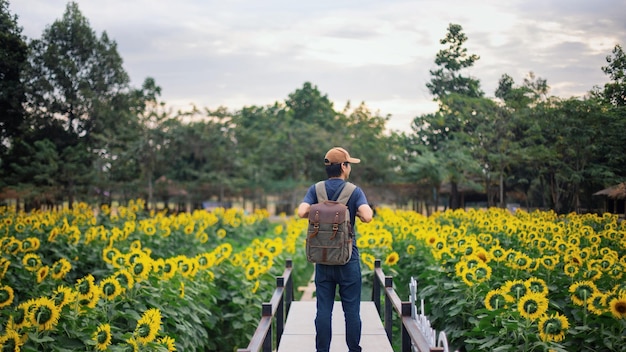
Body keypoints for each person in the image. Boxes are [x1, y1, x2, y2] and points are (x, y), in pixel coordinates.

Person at [297, 146, 374, 352]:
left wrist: (320, 210)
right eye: (348, 164)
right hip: (348, 259)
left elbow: (301, 211)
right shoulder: (354, 191)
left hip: (322, 258)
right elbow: (367, 216)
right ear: (343, 166)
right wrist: (353, 212)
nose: (349, 168)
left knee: (323, 310)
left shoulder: (316, 190)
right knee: (351, 311)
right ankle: (353, 350)